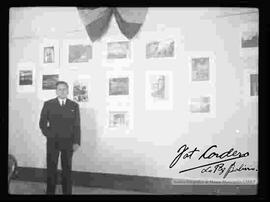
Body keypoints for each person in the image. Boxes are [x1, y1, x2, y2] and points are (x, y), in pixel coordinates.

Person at [39, 81, 81, 195]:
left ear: (68, 91)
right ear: (56, 91)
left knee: (67, 169)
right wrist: (50, 135)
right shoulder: (48, 104)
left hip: (68, 142)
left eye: (64, 89)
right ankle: (50, 192)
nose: (62, 91)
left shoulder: (74, 106)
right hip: (53, 142)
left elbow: (77, 125)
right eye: (59, 89)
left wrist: (77, 142)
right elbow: (42, 124)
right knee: (51, 169)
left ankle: (67, 192)